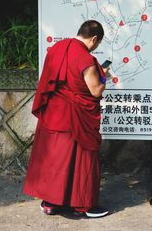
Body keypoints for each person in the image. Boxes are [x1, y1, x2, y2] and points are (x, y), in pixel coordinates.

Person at [23, 20, 109, 218]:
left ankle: (50, 203)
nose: (96, 47)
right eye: (98, 43)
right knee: (82, 158)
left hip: (54, 113)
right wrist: (103, 76)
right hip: (76, 116)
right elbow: (95, 91)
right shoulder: (85, 58)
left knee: (54, 158)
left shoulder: (57, 49)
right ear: (94, 39)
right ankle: (83, 206)